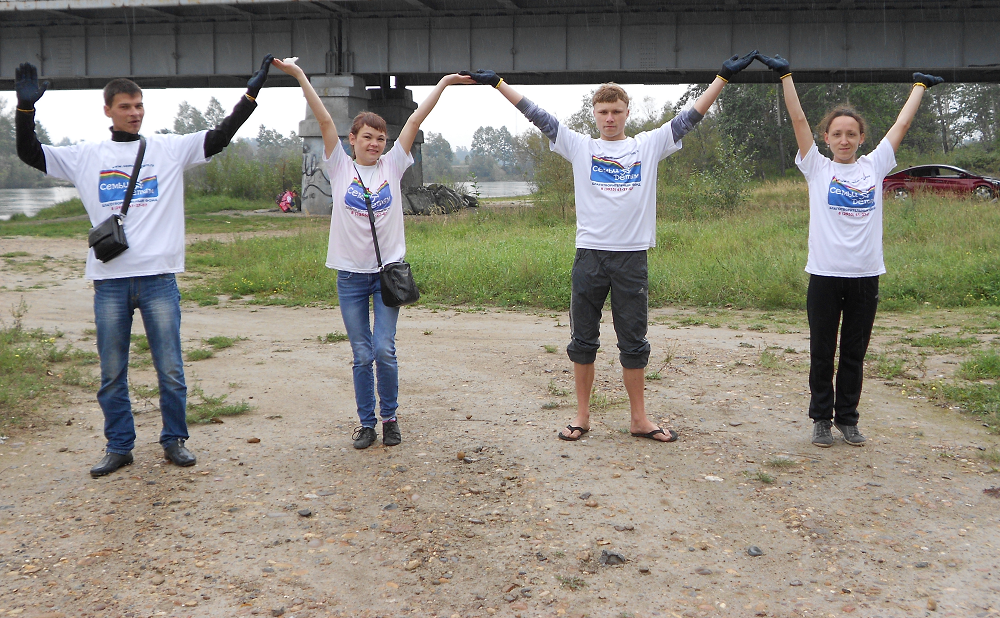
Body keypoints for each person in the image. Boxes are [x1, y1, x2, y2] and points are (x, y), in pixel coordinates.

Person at [459, 53, 759, 443]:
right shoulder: (580, 146)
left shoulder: (647, 145)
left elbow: (690, 117)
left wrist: (721, 78)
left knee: (633, 341)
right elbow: (538, 116)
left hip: (632, 257)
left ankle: (639, 419)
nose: (610, 118)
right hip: (590, 256)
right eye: (603, 112)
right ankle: (582, 417)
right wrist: (499, 84)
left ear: (627, 113)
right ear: (594, 114)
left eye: (616, 111)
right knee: (583, 340)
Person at [14, 55, 274, 477]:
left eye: (139, 106)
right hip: (110, 282)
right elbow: (30, 152)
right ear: (108, 110)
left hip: (158, 280)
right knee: (112, 372)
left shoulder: (168, 149)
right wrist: (25, 110)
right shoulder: (86, 156)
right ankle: (119, 446)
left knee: (170, 369)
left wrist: (250, 95)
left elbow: (220, 136)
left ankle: (175, 440)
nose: (134, 113)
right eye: (125, 106)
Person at [272, 58, 465, 449]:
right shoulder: (339, 167)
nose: (375, 143)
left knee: (383, 350)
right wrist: (300, 75)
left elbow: (414, 120)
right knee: (361, 354)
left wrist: (444, 82)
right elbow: (324, 119)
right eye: (368, 137)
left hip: (387, 275)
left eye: (380, 138)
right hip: (350, 276)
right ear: (352, 139)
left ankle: (390, 418)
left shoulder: (393, 166)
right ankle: (366, 424)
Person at [757, 53, 944, 447]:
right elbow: (798, 120)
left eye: (851, 134)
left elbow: (901, 124)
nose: (844, 140)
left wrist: (919, 86)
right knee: (822, 352)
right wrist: (786, 76)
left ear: (862, 138)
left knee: (854, 353)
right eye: (837, 134)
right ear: (826, 138)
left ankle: (848, 419)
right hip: (825, 275)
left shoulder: (874, 166)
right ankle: (821, 420)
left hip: (864, 276)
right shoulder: (817, 168)